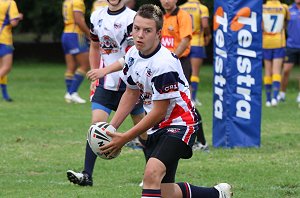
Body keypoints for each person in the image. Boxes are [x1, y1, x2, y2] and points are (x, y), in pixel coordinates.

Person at [99, 4, 232, 198]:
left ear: (159, 33)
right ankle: (217, 194)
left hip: (180, 124)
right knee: (165, 191)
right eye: (136, 29)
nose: (139, 35)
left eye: (147, 30)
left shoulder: (164, 64)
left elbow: (159, 111)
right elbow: (131, 92)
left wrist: (125, 137)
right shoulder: (132, 55)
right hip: (158, 127)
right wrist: (111, 128)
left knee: (151, 174)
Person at [66, 0, 145, 186]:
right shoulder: (96, 16)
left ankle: (152, 175)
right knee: (96, 126)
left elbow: (133, 53)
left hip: (130, 85)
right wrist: (96, 74)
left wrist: (104, 71)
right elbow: (94, 46)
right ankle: (87, 175)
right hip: (105, 85)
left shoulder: (131, 18)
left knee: (143, 132)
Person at [160, 0, 208, 151]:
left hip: (179, 63)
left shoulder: (183, 15)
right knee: (157, 100)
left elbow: (186, 39)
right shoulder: (160, 17)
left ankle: (201, 142)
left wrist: (171, 58)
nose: (166, 1)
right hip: (161, 65)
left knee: (185, 103)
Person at [180, 0, 211, 106]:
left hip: (184, 43)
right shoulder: (202, 8)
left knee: (183, 72)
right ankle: (193, 98)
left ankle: (183, 97)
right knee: (195, 73)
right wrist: (208, 35)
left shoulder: (181, 8)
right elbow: (205, 25)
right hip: (197, 42)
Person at [61, 0, 90, 104]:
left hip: (66, 34)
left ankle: (69, 94)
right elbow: (78, 20)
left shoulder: (67, 2)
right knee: (85, 65)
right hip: (75, 35)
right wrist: (89, 34)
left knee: (71, 66)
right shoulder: (78, 2)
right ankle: (72, 93)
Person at [262, 0, 289, 107]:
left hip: (266, 41)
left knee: (268, 71)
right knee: (277, 71)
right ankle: (275, 98)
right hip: (279, 41)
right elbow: (285, 24)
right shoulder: (284, 7)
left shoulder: (262, 7)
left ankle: (268, 100)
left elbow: (261, 25)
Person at [0, 0, 23, 102]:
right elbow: (13, 22)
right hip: (4, 38)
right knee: (6, 67)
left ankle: (5, 95)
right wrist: (18, 17)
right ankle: (5, 95)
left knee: (1, 68)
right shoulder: (10, 2)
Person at [278, 0, 300, 102]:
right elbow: (283, 25)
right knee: (286, 70)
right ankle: (282, 94)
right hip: (291, 46)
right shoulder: (289, 10)